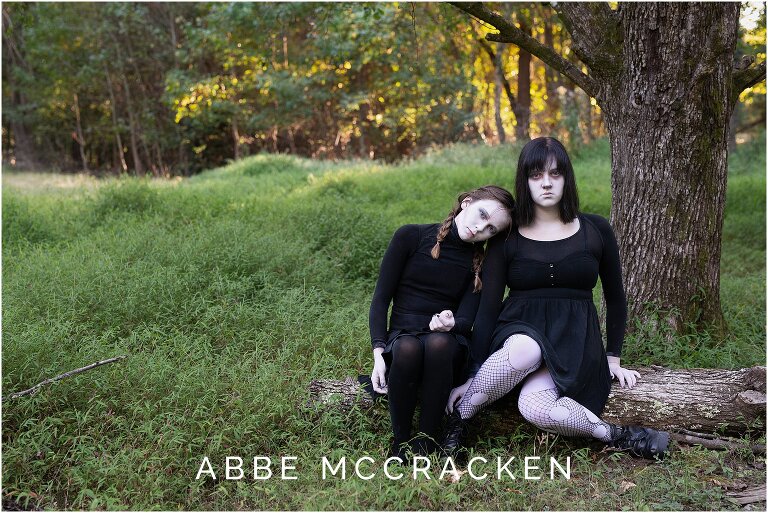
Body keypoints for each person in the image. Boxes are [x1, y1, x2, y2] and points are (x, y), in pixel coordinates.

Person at [443, 137, 669, 459]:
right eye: (536, 175)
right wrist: (475, 373)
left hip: (574, 339)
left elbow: (616, 298)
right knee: (526, 348)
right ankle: (458, 421)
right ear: (525, 180)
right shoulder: (507, 236)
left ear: (567, 177)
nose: (546, 183)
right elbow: (489, 307)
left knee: (534, 408)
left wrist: (613, 357)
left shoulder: (595, 229)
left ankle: (618, 435)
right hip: (518, 332)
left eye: (555, 173)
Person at [369, 185, 514, 459]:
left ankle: (427, 439)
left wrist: (451, 323)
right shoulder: (411, 236)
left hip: (447, 343)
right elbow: (380, 300)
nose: (481, 228)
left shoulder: (477, 265)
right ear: (467, 203)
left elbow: (466, 320)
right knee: (408, 348)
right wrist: (378, 352)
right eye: (482, 215)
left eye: (491, 229)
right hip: (403, 333)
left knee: (437, 343)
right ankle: (400, 442)